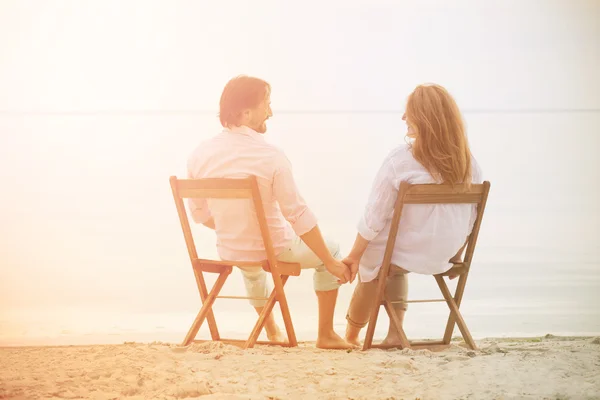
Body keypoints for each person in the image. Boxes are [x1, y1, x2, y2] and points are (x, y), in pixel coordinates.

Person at [187, 75, 353, 349]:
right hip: (274, 251)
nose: (271, 112)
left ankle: (272, 330)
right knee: (332, 251)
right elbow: (298, 215)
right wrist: (331, 261)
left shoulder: (199, 154)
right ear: (246, 112)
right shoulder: (271, 156)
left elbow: (199, 214)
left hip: (231, 251)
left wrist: (236, 228)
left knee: (250, 266)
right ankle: (326, 335)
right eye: (267, 104)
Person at [342, 83, 483, 347]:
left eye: (409, 113)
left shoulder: (401, 160)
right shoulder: (469, 162)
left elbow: (374, 216)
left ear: (426, 118)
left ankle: (351, 335)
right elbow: (470, 219)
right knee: (389, 255)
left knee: (372, 258)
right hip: (445, 254)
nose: (403, 118)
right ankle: (396, 332)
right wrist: (456, 255)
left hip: (407, 251)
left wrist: (352, 256)